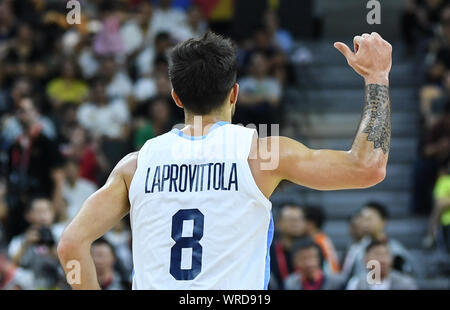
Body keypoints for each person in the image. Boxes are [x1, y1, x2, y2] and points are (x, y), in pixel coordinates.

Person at [58, 31, 392, 290]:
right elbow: (368, 167)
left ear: (176, 97)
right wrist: (376, 78)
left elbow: (72, 243)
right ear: (234, 93)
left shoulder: (135, 165)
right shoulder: (261, 154)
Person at [341, 202, 416, 284]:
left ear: (383, 221)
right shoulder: (356, 248)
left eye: (369, 219)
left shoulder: (396, 251)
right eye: (363, 219)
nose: (365, 223)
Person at [346, 240, 418, 290]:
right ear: (365, 259)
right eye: (377, 254)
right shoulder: (356, 284)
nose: (382, 260)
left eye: (385, 254)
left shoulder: (406, 284)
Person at [269, 203, 306, 289]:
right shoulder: (270, 250)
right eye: (291, 220)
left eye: (299, 219)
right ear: (278, 223)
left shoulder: (312, 250)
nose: (295, 224)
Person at [303, 205, 340, 275]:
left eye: (301, 220)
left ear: (310, 223)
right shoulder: (313, 239)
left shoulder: (321, 241)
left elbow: (332, 267)